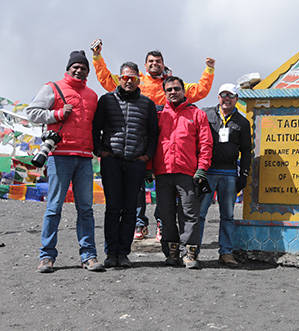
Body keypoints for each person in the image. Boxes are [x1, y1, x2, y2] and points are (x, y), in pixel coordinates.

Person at [90, 39, 215, 241]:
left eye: (158, 61)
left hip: (166, 137)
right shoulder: (136, 80)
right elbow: (107, 80)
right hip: (139, 139)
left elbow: (199, 90)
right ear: (145, 64)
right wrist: (97, 57)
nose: (154, 64)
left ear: (163, 64)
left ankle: (160, 223)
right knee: (137, 187)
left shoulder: (172, 85)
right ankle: (140, 223)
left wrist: (209, 70)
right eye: (151, 61)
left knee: (165, 189)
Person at [25, 50, 104, 273]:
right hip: (60, 156)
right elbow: (31, 112)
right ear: (68, 68)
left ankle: (88, 256)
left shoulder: (92, 95)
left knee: (86, 209)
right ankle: (46, 257)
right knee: (54, 208)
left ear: (88, 71)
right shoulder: (52, 87)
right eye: (75, 67)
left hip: (85, 158)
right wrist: (57, 114)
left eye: (83, 67)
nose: (79, 70)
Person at [92, 61, 158, 268]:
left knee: (131, 209)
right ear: (119, 78)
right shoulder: (106, 100)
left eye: (133, 78)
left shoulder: (147, 104)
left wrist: (146, 156)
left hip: (136, 162)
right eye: (125, 77)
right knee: (112, 208)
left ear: (139, 79)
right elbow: (96, 128)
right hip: (112, 160)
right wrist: (99, 150)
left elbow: (153, 134)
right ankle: (111, 252)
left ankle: (124, 252)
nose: (129, 81)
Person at [153, 76, 212, 269]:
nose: (173, 92)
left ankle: (190, 253)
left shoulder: (197, 114)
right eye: (169, 89)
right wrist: (148, 169)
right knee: (166, 214)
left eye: (176, 89)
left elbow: (205, 143)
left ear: (184, 91)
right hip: (163, 172)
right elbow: (151, 142)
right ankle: (171, 252)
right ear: (164, 92)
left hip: (188, 173)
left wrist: (202, 168)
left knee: (189, 214)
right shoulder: (159, 115)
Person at [200, 83, 252, 267]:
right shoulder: (205, 115)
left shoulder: (243, 122)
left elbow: (247, 151)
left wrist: (243, 175)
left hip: (229, 173)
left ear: (236, 99)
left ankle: (226, 252)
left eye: (230, 96)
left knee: (228, 215)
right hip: (207, 171)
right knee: (199, 213)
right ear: (218, 97)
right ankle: (193, 250)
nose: (226, 99)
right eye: (223, 95)